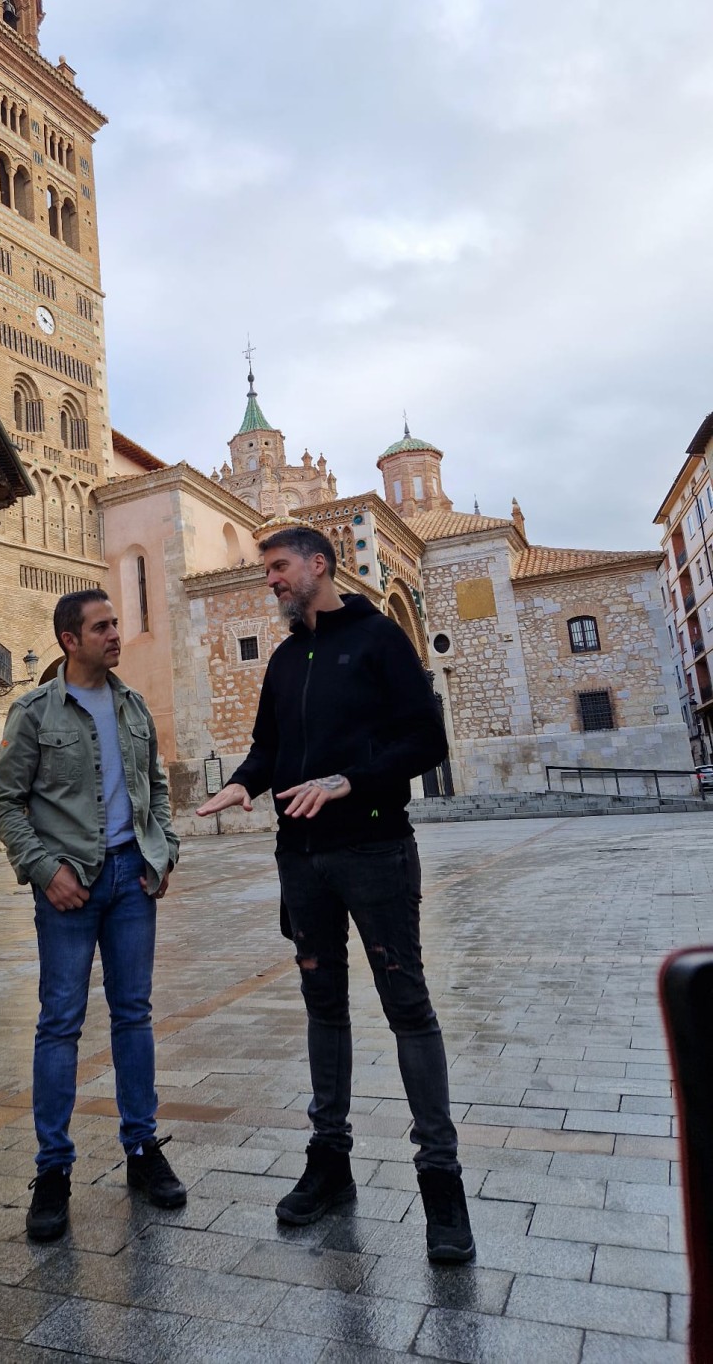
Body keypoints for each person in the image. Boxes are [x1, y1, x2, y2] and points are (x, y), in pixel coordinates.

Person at [197, 526, 474, 1263]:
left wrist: (352, 779)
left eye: (280, 568)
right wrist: (239, 784)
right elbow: (268, 746)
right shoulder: (285, 659)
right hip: (303, 858)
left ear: (319, 566)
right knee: (323, 1004)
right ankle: (331, 1163)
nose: (271, 581)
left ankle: (441, 1182)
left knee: (407, 1005)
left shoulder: (379, 639)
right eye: (267, 572)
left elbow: (426, 741)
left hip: (377, 848)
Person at [0, 588, 185, 1241]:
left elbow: (155, 786)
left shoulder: (132, 705)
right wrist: (47, 871)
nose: (115, 634)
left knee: (134, 1013)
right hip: (68, 888)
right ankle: (52, 1170)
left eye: (115, 624)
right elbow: (7, 805)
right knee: (60, 1023)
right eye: (101, 626)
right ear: (69, 639)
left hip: (132, 878)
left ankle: (141, 1149)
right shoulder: (34, 711)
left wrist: (163, 849)